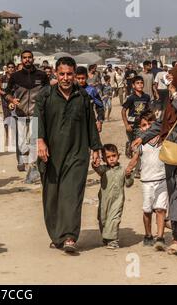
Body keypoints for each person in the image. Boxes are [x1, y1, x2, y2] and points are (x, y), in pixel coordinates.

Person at [132, 66, 177, 262]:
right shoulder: (172, 99)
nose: (170, 80)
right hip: (172, 153)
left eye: (173, 77)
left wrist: (174, 94)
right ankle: (176, 239)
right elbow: (161, 122)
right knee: (174, 196)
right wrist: (143, 137)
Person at [35, 57, 102, 253]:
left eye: (69, 74)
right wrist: (39, 141)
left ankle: (70, 237)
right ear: (55, 73)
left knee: (72, 195)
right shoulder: (45, 95)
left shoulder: (82, 97)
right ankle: (57, 236)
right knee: (52, 198)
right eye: (62, 74)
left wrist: (96, 148)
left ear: (75, 75)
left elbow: (91, 125)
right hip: (51, 154)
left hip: (77, 153)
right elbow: (35, 120)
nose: (65, 78)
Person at [5, 50, 49, 183]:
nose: (27, 60)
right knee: (22, 145)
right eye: (25, 58)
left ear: (33, 59)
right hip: (21, 114)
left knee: (33, 142)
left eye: (29, 57)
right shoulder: (15, 76)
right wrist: (12, 100)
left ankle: (33, 169)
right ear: (21, 60)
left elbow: (48, 92)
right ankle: (28, 165)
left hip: (37, 114)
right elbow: (7, 93)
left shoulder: (41, 75)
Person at [127, 111, 168, 250]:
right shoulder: (141, 144)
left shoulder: (163, 140)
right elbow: (135, 158)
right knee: (147, 210)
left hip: (162, 180)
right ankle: (148, 235)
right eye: (144, 125)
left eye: (150, 124)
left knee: (161, 209)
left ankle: (160, 237)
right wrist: (129, 169)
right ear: (140, 128)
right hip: (146, 182)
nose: (148, 127)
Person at [92, 144, 133, 249]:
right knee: (103, 219)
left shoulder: (123, 170)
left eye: (113, 156)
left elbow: (128, 184)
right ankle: (106, 238)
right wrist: (95, 165)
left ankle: (113, 240)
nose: (111, 159)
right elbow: (98, 169)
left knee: (114, 219)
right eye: (108, 157)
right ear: (104, 159)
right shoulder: (104, 170)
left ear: (118, 156)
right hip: (104, 201)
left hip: (117, 200)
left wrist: (128, 175)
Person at [121, 76, 151, 169]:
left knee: (138, 147)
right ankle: (129, 145)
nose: (140, 85)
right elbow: (123, 111)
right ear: (133, 85)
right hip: (131, 125)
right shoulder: (131, 98)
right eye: (137, 83)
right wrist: (126, 125)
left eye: (141, 83)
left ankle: (138, 169)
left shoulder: (147, 97)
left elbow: (149, 110)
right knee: (133, 144)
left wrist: (148, 123)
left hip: (140, 126)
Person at [75, 66, 105, 132]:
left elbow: (100, 106)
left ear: (87, 77)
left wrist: (100, 121)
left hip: (89, 122)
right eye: (78, 78)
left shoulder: (91, 90)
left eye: (83, 78)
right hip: (74, 124)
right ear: (75, 78)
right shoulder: (71, 90)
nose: (80, 81)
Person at [0, 62, 16, 142]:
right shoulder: (2, 78)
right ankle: (7, 136)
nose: (11, 69)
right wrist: (3, 93)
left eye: (12, 67)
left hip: (14, 101)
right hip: (5, 102)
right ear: (7, 69)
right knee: (6, 119)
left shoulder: (17, 78)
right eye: (9, 67)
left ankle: (14, 137)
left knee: (14, 119)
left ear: (14, 68)